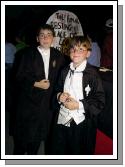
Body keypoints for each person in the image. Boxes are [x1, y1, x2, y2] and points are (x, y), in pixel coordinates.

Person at [11, 24, 65, 155]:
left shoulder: (59, 56)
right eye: (42, 35)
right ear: (37, 38)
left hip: (45, 106)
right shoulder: (26, 54)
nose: (45, 38)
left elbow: (61, 78)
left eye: (48, 35)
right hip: (27, 104)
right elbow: (18, 77)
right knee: (21, 142)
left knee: (36, 141)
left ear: (53, 38)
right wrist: (35, 83)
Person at [51, 36, 105, 155]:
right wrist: (59, 96)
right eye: (73, 49)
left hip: (82, 123)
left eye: (81, 49)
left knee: (77, 152)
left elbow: (99, 101)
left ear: (88, 53)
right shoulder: (64, 71)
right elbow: (57, 89)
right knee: (60, 150)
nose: (75, 52)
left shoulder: (93, 75)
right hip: (62, 119)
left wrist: (79, 105)